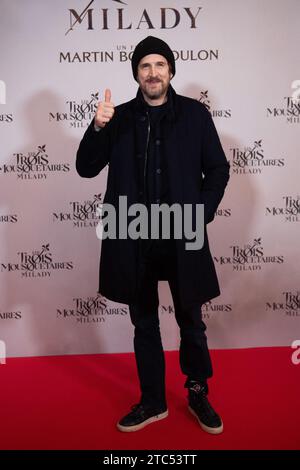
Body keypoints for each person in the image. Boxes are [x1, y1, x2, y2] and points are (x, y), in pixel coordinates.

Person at [76, 36, 230, 435]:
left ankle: (197, 392)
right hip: (134, 238)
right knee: (144, 324)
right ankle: (153, 401)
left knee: (191, 322)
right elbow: (86, 168)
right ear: (137, 75)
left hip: (183, 236)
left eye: (160, 64)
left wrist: (201, 213)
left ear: (171, 70)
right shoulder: (119, 117)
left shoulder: (196, 116)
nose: (153, 72)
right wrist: (97, 126)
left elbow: (217, 170)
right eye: (145, 66)